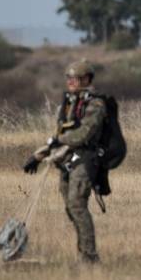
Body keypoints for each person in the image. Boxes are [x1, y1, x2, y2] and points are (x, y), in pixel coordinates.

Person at [22, 59, 106, 263]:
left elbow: (82, 135)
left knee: (77, 205)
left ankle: (89, 256)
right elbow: (60, 134)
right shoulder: (70, 103)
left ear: (86, 79)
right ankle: (83, 252)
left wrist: (57, 141)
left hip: (86, 159)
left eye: (75, 78)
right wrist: (38, 156)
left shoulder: (95, 104)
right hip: (69, 159)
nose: (70, 81)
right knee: (70, 207)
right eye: (68, 78)